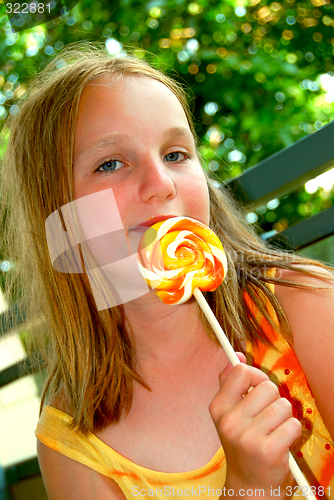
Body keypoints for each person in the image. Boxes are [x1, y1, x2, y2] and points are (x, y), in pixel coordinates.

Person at [1, 42, 333, 500]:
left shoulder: (303, 303)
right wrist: (251, 490)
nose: (161, 185)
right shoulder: (71, 442)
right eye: (111, 164)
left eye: (175, 154)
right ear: (58, 223)